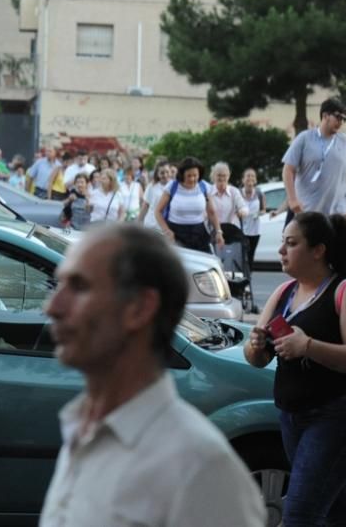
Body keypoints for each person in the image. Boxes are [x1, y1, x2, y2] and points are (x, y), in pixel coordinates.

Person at [39, 224, 266, 527]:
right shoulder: (82, 428)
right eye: (59, 285)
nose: (52, 306)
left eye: (79, 287)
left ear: (139, 308)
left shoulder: (200, 468)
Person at [244, 213, 346, 526]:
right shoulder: (284, 293)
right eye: (283, 243)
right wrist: (255, 343)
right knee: (340, 513)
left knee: (300, 515)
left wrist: (308, 346)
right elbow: (257, 358)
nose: (281, 250)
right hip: (294, 417)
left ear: (318, 250)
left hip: (340, 415)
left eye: (291, 244)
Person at [282, 97, 346, 220]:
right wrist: (292, 200)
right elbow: (288, 169)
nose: (340, 122)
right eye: (338, 117)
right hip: (306, 211)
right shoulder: (304, 138)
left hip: (337, 213)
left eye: (343, 119)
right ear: (325, 115)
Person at [154, 157, 225, 253]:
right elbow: (158, 211)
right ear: (182, 174)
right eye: (189, 176)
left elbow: (211, 212)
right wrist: (166, 231)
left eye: (195, 175)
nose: (192, 179)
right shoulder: (172, 186)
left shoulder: (204, 186)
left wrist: (218, 231)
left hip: (199, 233)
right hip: (176, 233)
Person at [210, 162, 249, 238]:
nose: (222, 178)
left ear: (228, 176)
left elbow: (244, 207)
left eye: (224, 175)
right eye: (219, 175)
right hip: (213, 232)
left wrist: (242, 211)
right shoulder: (209, 191)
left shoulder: (234, 191)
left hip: (232, 231)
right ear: (214, 176)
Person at [240, 168, 266, 268]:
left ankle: (248, 277)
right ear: (243, 180)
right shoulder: (238, 193)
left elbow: (263, 209)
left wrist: (258, 214)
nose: (250, 178)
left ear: (255, 180)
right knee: (242, 255)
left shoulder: (259, 193)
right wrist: (240, 213)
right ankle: (241, 276)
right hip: (241, 230)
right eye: (248, 176)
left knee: (250, 256)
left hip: (255, 230)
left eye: (252, 176)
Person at [140, 161, 172, 232]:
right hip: (152, 224)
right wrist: (138, 222)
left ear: (170, 172)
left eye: (167, 172)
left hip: (168, 227)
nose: (165, 175)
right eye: (162, 173)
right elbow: (145, 206)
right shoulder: (152, 186)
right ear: (157, 174)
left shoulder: (174, 186)